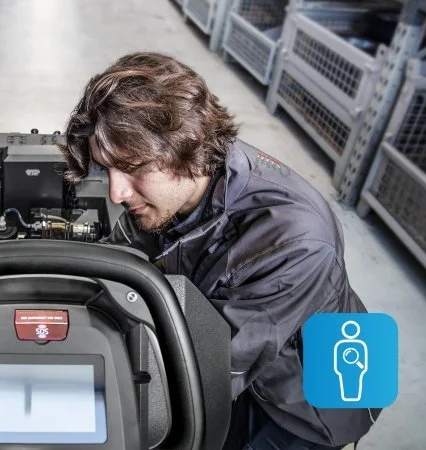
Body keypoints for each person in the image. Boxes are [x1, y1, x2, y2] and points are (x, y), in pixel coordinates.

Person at [58, 52, 380, 450]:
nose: (117, 192)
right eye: (107, 169)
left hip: (308, 401)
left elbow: (209, 371)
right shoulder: (186, 179)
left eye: (133, 168)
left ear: (183, 148)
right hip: (249, 346)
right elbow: (124, 255)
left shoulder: (293, 240)